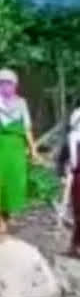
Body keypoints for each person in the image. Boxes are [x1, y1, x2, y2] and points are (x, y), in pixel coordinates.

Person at [0, 69, 40, 233]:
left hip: (16, 148)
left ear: (15, 85)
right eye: (2, 83)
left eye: (9, 83)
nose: (5, 87)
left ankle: (7, 215)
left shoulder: (21, 103)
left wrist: (33, 150)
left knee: (14, 180)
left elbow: (27, 128)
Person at [55, 107, 80, 258]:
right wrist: (62, 174)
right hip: (77, 177)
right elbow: (61, 160)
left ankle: (74, 245)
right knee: (79, 213)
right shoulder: (71, 139)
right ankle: (74, 246)